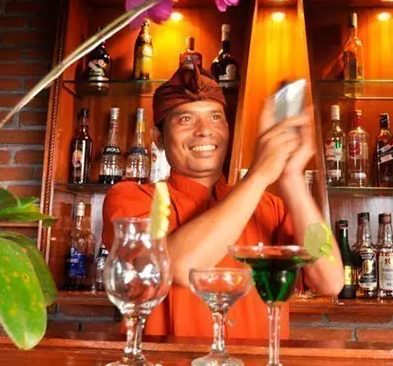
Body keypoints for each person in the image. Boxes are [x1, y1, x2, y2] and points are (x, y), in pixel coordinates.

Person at [102, 65, 343, 339]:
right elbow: (180, 267)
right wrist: (259, 174)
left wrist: (292, 178)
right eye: (185, 119)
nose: (205, 130)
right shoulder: (131, 198)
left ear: (228, 129)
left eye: (216, 117)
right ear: (158, 139)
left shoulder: (271, 206)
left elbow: (330, 281)